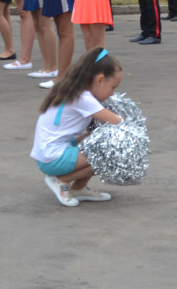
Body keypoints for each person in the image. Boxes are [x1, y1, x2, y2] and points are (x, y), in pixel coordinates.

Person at [30, 47, 123, 207]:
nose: (112, 94)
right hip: (53, 157)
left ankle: (79, 189)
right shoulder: (84, 97)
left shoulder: (75, 89)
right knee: (109, 153)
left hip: (49, 153)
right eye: (113, 88)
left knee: (98, 138)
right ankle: (60, 180)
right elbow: (116, 121)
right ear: (99, 80)